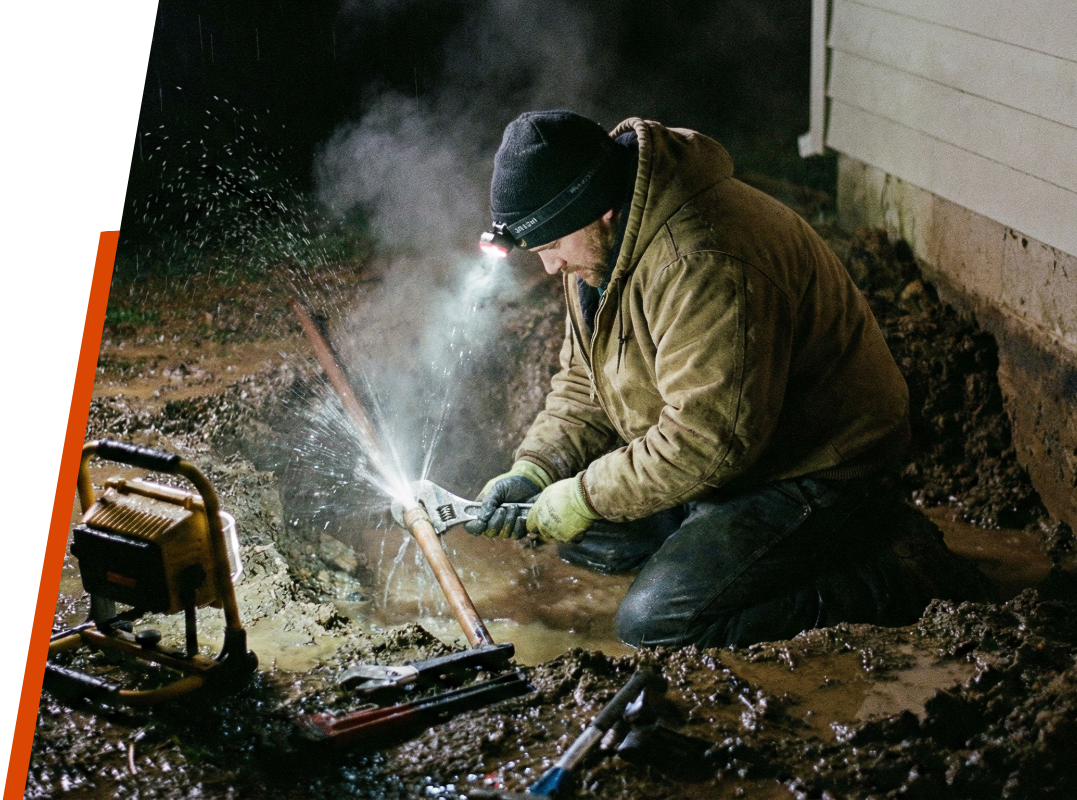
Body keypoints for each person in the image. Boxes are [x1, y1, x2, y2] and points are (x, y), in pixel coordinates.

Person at [467, 110, 990, 649]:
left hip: (816, 469)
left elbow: (706, 440)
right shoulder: (603, 252)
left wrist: (583, 495)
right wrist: (535, 470)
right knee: (583, 536)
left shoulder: (702, 259)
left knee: (657, 623)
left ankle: (894, 574)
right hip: (738, 459)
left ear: (601, 211)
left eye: (552, 247)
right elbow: (584, 381)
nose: (550, 268)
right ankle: (720, 547)